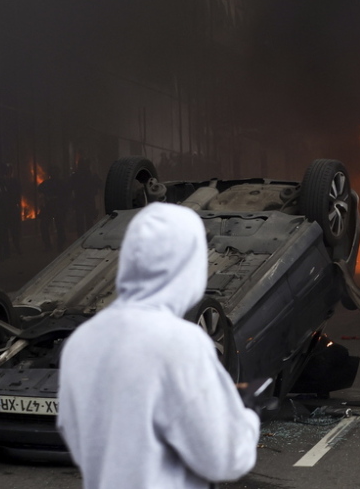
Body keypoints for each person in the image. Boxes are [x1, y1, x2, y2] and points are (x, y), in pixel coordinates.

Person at [57, 202, 260, 489]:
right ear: (189, 266)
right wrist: (247, 418)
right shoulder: (180, 343)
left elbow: (74, 432)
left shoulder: (83, 340)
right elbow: (223, 459)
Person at [38, 166, 69, 253]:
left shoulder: (61, 183)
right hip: (50, 207)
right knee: (46, 226)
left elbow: (66, 195)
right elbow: (40, 190)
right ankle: (51, 245)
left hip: (58, 207)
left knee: (59, 227)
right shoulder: (48, 183)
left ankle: (58, 245)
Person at [69, 158, 102, 237]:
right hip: (85, 201)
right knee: (86, 221)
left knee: (84, 221)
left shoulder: (76, 176)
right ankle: (86, 238)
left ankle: (84, 238)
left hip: (83, 201)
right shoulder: (86, 176)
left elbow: (69, 188)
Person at [0, 163, 23, 255]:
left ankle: (17, 247)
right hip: (4, 209)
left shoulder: (15, 182)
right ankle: (7, 250)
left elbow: (18, 194)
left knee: (15, 231)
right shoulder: (0, 182)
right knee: (4, 232)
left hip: (13, 208)